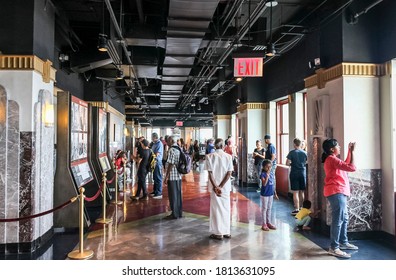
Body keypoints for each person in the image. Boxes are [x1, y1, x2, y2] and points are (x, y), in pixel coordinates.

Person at [322, 139, 357, 258]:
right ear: (332, 149)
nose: (340, 147)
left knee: (344, 218)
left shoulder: (333, 159)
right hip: (336, 192)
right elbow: (351, 167)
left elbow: (346, 164)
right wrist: (352, 152)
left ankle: (343, 242)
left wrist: (349, 151)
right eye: (338, 146)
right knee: (338, 220)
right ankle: (334, 247)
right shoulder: (332, 159)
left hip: (339, 191)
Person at [205, 138, 233, 240]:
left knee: (216, 209)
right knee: (226, 209)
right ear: (222, 146)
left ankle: (218, 233)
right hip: (225, 188)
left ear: (215, 146)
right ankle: (226, 232)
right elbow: (229, 173)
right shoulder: (229, 157)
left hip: (214, 187)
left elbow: (210, 174)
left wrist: (216, 186)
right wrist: (221, 186)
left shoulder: (209, 157)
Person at [286, 138, 308, 215]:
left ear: (294, 144)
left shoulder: (291, 153)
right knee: (302, 192)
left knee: (295, 192)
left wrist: (293, 163)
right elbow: (307, 162)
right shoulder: (305, 153)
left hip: (294, 173)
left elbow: (287, 163)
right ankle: (302, 208)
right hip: (302, 173)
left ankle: (296, 209)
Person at [163, 136, 183, 219]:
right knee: (178, 195)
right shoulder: (179, 148)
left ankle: (174, 214)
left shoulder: (172, 150)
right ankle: (179, 212)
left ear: (170, 141)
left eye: (167, 141)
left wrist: (166, 176)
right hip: (179, 176)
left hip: (173, 176)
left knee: (173, 196)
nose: (166, 143)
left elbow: (171, 164)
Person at [260, 159, 279, 231]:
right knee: (264, 209)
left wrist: (275, 193)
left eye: (270, 167)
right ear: (264, 167)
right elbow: (264, 184)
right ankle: (264, 224)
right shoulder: (263, 174)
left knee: (269, 208)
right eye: (267, 167)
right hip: (265, 194)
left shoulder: (272, 174)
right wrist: (267, 176)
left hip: (270, 193)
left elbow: (273, 184)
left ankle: (269, 222)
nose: (269, 168)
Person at [150, 132, 163, 199]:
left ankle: (159, 193)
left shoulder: (159, 144)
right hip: (154, 162)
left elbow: (157, 153)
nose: (151, 138)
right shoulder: (155, 143)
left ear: (154, 137)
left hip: (157, 162)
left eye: (152, 137)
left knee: (158, 177)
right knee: (155, 177)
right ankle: (155, 191)